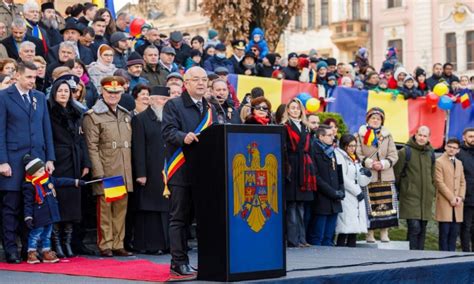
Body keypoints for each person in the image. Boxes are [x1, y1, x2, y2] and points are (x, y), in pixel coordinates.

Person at [161, 67, 217, 278]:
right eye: (196, 80)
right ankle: (178, 262)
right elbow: (167, 132)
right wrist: (183, 136)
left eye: (204, 80)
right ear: (186, 82)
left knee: (202, 219)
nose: (201, 83)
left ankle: (207, 261)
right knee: (179, 219)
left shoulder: (210, 107)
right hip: (181, 169)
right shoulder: (173, 105)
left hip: (205, 172)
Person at [0, 62, 55, 263]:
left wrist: (50, 158)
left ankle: (28, 249)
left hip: (37, 161)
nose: (33, 81)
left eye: (34, 77)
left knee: (32, 206)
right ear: (17, 75)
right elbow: (0, 131)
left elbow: (46, 128)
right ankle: (11, 249)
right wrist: (2, 161)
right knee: (11, 208)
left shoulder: (39, 97)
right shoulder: (4, 97)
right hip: (13, 161)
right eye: (29, 77)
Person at [82, 76, 134, 257]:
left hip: (123, 170)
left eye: (117, 92)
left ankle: (118, 243)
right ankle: (106, 245)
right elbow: (91, 146)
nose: (113, 95)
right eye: (109, 92)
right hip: (107, 169)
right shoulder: (93, 115)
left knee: (120, 209)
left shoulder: (125, 114)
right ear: (102, 92)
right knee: (106, 209)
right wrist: (99, 172)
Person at [47, 79, 91, 258]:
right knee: (59, 202)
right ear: (54, 93)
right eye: (60, 91)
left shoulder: (76, 112)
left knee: (73, 202)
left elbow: (81, 140)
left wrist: (86, 163)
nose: (64, 94)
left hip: (75, 159)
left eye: (66, 91)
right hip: (58, 160)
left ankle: (67, 243)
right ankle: (56, 243)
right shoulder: (49, 112)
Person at [23, 154, 84, 264]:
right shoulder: (30, 186)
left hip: (50, 214)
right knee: (35, 235)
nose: (43, 172)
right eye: (40, 171)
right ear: (32, 173)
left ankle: (46, 252)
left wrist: (75, 182)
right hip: (38, 216)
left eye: (43, 169)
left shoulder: (49, 179)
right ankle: (32, 253)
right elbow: (27, 203)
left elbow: (62, 181)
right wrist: (28, 216)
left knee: (47, 235)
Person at [131, 87, 171, 254]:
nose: (165, 103)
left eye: (167, 100)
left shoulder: (169, 119)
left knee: (166, 207)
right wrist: (141, 173)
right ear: (153, 100)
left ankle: (166, 244)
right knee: (150, 208)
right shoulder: (140, 119)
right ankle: (150, 245)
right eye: (163, 100)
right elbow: (138, 148)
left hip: (167, 170)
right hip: (149, 171)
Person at [356, 107, 398, 243]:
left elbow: (393, 154)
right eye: (373, 118)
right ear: (368, 119)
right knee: (370, 206)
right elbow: (357, 153)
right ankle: (370, 233)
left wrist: (384, 163)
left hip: (385, 175)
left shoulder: (387, 136)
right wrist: (369, 163)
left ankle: (384, 232)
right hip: (369, 176)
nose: (375, 120)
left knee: (387, 207)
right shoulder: (360, 135)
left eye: (378, 118)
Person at [281, 98, 316, 247]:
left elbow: (310, 150)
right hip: (291, 167)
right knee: (291, 206)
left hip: (304, 167)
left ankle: (302, 238)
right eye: (292, 108)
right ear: (288, 110)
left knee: (301, 206)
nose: (295, 110)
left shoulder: (306, 128)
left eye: (297, 108)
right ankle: (293, 239)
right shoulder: (284, 127)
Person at [394, 126, 435, 250]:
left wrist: (432, 190)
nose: (422, 138)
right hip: (410, 196)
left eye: (425, 136)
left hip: (426, 197)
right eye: (420, 135)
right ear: (415, 135)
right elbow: (396, 174)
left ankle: (419, 256)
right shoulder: (405, 152)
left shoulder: (431, 153)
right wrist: (403, 190)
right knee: (414, 227)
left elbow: (432, 175)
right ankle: (411, 256)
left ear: (428, 137)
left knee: (422, 229)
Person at [308, 124, 344, 246]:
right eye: (329, 135)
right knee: (318, 236)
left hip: (334, 200)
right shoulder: (314, 150)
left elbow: (338, 171)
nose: (332, 138)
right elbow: (316, 176)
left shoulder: (332, 151)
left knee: (329, 237)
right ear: (321, 136)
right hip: (322, 198)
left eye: (333, 135)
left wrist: (341, 189)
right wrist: (332, 192)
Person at [335, 134, 369, 247]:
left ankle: (352, 249)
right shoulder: (339, 156)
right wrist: (357, 192)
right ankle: (340, 249)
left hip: (357, 193)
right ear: (344, 145)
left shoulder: (355, 158)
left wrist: (367, 175)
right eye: (350, 146)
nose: (352, 148)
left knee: (354, 226)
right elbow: (343, 178)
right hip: (347, 194)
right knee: (345, 226)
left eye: (354, 146)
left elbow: (361, 181)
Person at [434, 138, 466, 251]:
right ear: (446, 147)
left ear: (458, 150)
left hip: (457, 204)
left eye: (455, 148)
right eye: (450, 147)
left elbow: (462, 181)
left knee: (453, 234)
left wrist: (460, 197)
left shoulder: (459, 163)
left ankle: (452, 257)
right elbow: (439, 182)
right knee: (444, 233)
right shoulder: (439, 161)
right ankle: (443, 258)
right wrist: (451, 197)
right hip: (445, 202)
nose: (452, 149)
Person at [457, 127, 474, 252]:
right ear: (464, 137)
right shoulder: (459, 153)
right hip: (466, 197)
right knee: (466, 227)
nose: (473, 139)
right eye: (470, 136)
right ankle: (466, 253)